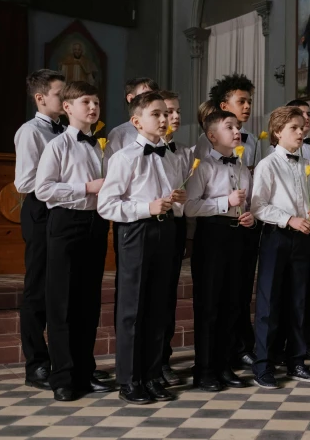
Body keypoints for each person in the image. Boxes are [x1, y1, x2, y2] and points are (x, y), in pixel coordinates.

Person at [97, 92, 187, 405]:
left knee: (159, 306)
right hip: (135, 232)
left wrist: (176, 201)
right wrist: (145, 207)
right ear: (137, 121)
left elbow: (167, 195)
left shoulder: (172, 155)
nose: (164, 119)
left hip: (165, 229)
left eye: (166, 114)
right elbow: (107, 205)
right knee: (132, 309)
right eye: (156, 114)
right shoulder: (123, 157)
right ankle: (129, 380)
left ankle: (151, 375)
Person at [34, 81, 114, 401]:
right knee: (62, 302)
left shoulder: (101, 145)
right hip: (66, 223)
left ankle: (85, 370)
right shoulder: (58, 145)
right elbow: (44, 190)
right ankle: (63, 377)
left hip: (96, 224)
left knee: (88, 302)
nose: (93, 108)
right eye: (86, 102)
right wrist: (86, 188)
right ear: (67, 108)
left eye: (96, 102)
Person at [250, 106, 310, 389]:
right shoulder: (268, 165)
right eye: (294, 127)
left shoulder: (309, 164)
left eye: (302, 127)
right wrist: (289, 219)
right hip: (276, 237)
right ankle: (264, 366)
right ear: (278, 132)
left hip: (303, 237)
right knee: (270, 303)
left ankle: (297, 361)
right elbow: (258, 206)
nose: (301, 131)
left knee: (300, 301)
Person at [185, 110, 255, 391]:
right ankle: (204, 369)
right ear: (212, 136)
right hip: (212, 235)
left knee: (232, 304)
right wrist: (223, 202)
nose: (237, 131)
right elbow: (189, 206)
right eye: (229, 127)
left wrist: (250, 215)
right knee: (210, 305)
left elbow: (248, 203)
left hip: (238, 235)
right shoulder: (202, 167)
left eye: (238, 127)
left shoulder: (241, 165)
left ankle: (224, 365)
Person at [269, 99, 310, 363]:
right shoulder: (273, 159)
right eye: (298, 119)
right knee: (284, 289)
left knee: (308, 284)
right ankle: (281, 346)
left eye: (307, 116)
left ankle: (308, 340)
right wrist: (290, 218)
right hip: (284, 227)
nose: (305, 123)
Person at [14, 69, 66, 391]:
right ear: (41, 97)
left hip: (62, 212)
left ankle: (63, 361)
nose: (65, 99)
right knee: (37, 290)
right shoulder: (30, 132)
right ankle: (36, 365)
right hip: (40, 212)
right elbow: (24, 181)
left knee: (59, 289)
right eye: (61, 94)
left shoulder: (65, 130)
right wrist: (66, 185)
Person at [210, 73, 261, 369]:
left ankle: (243, 345)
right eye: (241, 101)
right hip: (219, 223)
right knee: (222, 292)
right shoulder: (210, 140)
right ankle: (223, 350)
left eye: (249, 102)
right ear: (223, 104)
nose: (247, 106)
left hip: (245, 222)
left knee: (242, 290)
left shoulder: (251, 139)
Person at [158, 90, 194, 387]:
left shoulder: (184, 152)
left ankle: (164, 358)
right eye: (169, 111)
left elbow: (191, 198)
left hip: (176, 225)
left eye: (177, 111)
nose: (176, 117)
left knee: (167, 295)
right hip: (150, 223)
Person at [106, 77, 159, 157]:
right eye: (146, 95)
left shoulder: (161, 129)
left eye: (155, 96)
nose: (152, 101)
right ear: (131, 99)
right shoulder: (119, 134)